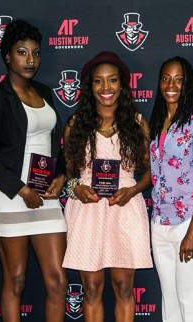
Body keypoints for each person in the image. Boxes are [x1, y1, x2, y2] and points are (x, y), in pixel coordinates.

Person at [0, 19, 67, 322]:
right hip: (11, 196)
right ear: (7, 56)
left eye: (36, 53)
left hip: (47, 197)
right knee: (15, 280)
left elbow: (57, 146)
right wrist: (21, 189)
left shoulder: (45, 92)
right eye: (22, 52)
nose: (31, 60)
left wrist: (62, 177)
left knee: (58, 281)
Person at [63, 51, 153, 322]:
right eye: (98, 82)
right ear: (89, 87)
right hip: (87, 210)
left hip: (124, 207)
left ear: (122, 85)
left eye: (112, 80)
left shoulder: (137, 123)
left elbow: (151, 172)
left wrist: (134, 190)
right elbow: (67, 175)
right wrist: (76, 188)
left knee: (124, 287)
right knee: (91, 289)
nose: (106, 88)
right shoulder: (75, 124)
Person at [149, 56, 193, 322]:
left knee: (192, 304)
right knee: (171, 303)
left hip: (191, 222)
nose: (171, 85)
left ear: (188, 84)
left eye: (179, 79)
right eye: (166, 78)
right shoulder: (158, 120)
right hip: (161, 223)